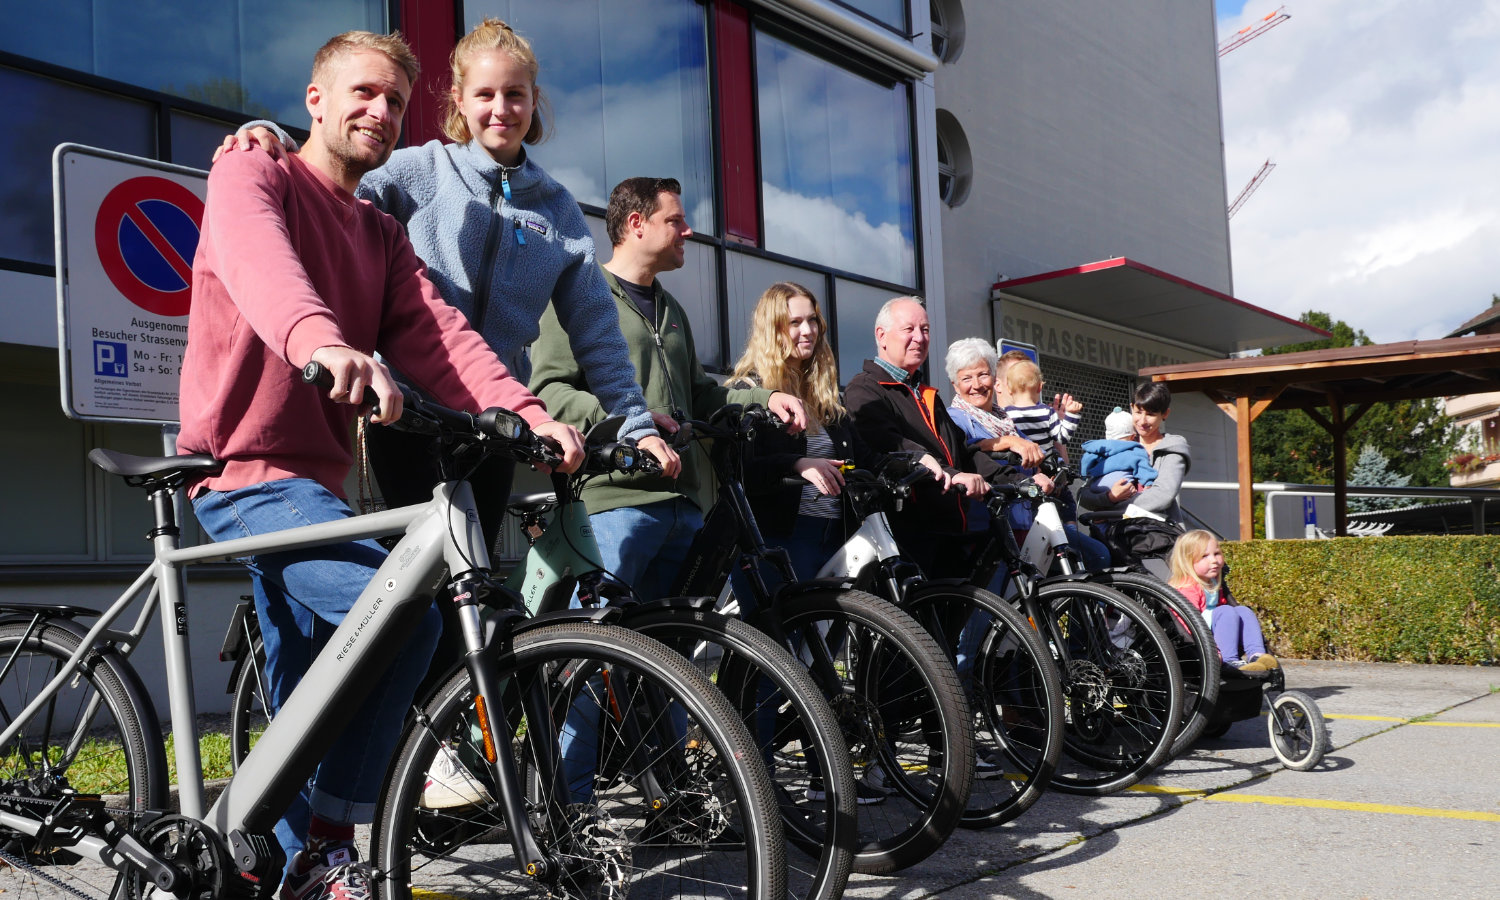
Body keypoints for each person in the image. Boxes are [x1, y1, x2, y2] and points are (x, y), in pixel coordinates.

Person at [178, 30, 584, 899]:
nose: (379, 111)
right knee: (404, 612)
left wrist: (523, 412)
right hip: (245, 472)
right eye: (361, 93)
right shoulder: (256, 173)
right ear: (314, 100)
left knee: (306, 698)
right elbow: (261, 260)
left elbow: (441, 336)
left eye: (395, 101)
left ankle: (266, 866)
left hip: (321, 489)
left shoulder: (382, 234)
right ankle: (330, 842)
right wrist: (320, 340)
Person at [218, 18, 677, 555]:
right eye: (485, 94)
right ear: (459, 101)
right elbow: (321, 176)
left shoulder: (559, 211)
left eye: (515, 94)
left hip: (496, 421)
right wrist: (266, 135)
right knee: (420, 581)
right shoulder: (418, 171)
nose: (500, 109)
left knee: (474, 579)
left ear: (534, 102)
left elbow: (599, 334)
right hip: (408, 415)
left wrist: (636, 426)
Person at [529, 177, 806, 802]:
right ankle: (566, 812)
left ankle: (671, 801)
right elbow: (548, 390)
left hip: (682, 506)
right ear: (635, 224)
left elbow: (703, 394)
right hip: (612, 503)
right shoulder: (577, 293)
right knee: (592, 663)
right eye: (676, 221)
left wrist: (765, 396)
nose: (688, 232)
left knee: (670, 661)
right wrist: (626, 420)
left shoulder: (671, 308)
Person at [734, 283, 948, 591]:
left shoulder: (826, 398)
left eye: (813, 321)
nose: (807, 331)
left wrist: (916, 461)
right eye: (795, 323)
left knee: (830, 636)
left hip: (836, 533)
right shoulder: (749, 391)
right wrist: (798, 464)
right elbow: (741, 469)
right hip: (780, 536)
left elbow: (865, 457)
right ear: (773, 329)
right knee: (783, 635)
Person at [845, 298, 1023, 578]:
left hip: (949, 532)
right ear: (882, 335)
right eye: (909, 329)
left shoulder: (927, 394)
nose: (919, 337)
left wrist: (1017, 479)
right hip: (908, 535)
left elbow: (964, 452)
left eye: (925, 329)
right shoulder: (865, 389)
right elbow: (891, 444)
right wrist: (952, 474)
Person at [944, 338, 1109, 571]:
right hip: (990, 528)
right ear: (954, 384)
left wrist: (1050, 472)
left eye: (982, 375)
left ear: (995, 378)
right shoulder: (954, 418)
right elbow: (965, 449)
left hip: (1029, 522)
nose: (976, 385)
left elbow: (1038, 454)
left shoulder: (1006, 419)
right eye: (966, 378)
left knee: (1096, 555)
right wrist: (1009, 442)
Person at [1168, 531, 1278, 672]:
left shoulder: (1213, 583)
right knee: (1225, 610)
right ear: (1187, 562)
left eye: (1217, 554)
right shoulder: (1188, 588)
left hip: (1219, 631)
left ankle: (1257, 655)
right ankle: (1229, 660)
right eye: (1204, 556)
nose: (1214, 560)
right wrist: (1212, 652)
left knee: (1243, 610)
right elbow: (1186, 623)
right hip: (1201, 639)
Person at [1078, 406, 1158, 501]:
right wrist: (1148, 483)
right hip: (1123, 486)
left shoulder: (1098, 448)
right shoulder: (1135, 450)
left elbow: (1086, 461)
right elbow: (1143, 467)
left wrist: (1084, 475)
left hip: (1096, 487)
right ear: (1133, 436)